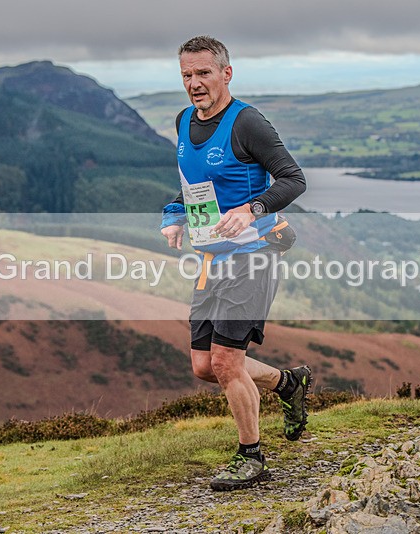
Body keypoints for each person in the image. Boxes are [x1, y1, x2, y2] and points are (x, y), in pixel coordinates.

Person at [159, 35, 311, 491]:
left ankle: (251, 457)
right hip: (212, 258)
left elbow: (293, 179)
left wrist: (252, 209)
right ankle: (288, 383)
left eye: (203, 73)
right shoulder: (184, 120)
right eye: (186, 74)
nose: (194, 83)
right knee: (205, 367)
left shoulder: (248, 123)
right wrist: (175, 217)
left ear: (226, 73)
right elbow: (194, 186)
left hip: (254, 254)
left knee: (227, 362)